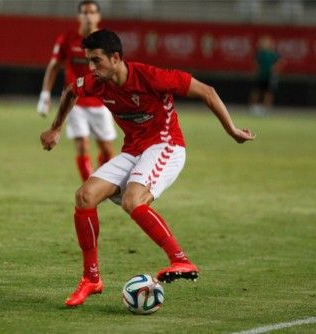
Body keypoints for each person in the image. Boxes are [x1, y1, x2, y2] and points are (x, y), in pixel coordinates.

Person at [40, 29, 255, 307]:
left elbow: (207, 91)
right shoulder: (96, 83)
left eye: (96, 61)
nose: (91, 68)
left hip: (166, 145)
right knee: (85, 196)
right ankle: (91, 279)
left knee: (133, 200)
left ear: (115, 57)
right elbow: (70, 91)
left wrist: (233, 130)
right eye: (89, 62)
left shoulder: (151, 76)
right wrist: (56, 128)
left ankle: (181, 260)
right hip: (134, 151)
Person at [37, 0, 116, 181]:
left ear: (98, 16)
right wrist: (45, 95)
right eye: (84, 12)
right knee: (82, 145)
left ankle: (103, 183)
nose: (88, 16)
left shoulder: (106, 41)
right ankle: (89, 187)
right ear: (79, 16)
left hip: (101, 101)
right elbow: (54, 66)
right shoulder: (67, 38)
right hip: (75, 102)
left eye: (92, 12)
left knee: (107, 149)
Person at [249, 36, 285, 116]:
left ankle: (266, 109)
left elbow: (281, 61)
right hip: (261, 75)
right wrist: (256, 70)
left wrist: (275, 69)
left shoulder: (273, 54)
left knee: (268, 92)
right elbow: (255, 62)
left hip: (270, 76)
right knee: (256, 91)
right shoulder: (260, 53)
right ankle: (253, 108)